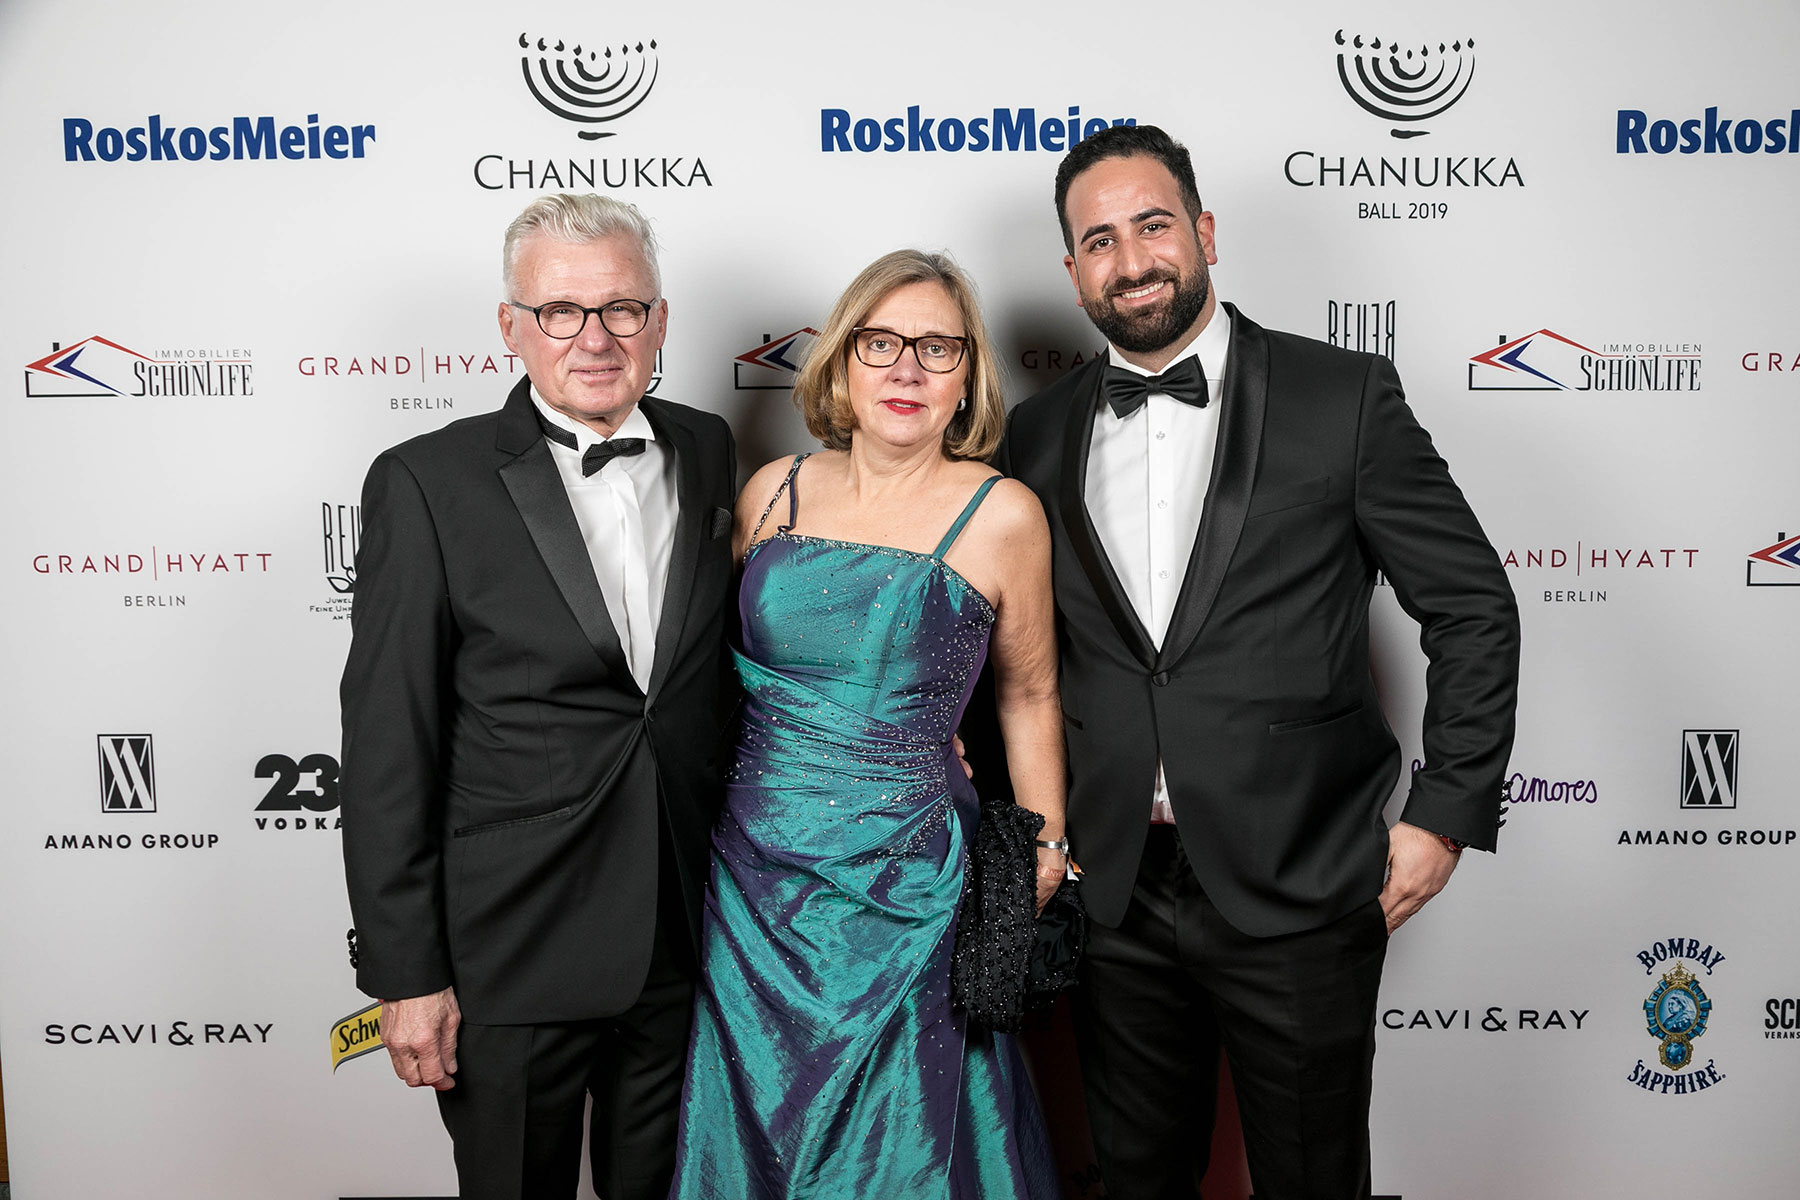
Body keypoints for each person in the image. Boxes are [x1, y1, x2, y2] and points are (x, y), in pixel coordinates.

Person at [991, 125, 1521, 1198]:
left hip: (1302, 881)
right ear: (1072, 270)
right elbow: (1015, 661)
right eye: (1099, 240)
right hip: (1115, 893)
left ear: (1205, 231)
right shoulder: (1035, 436)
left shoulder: (1343, 397)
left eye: (1153, 225)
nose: (1131, 260)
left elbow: (1472, 608)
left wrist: (1445, 813)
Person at [339, 193, 737, 1200]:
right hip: (510, 952)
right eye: (561, 311)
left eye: (622, 308)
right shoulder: (425, 482)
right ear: (510, 326)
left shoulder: (709, 448)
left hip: (681, 937)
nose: (595, 339)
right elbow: (388, 744)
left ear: (660, 320)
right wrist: (407, 974)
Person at [668, 250, 1063, 1199]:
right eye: (880, 343)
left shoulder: (1003, 513)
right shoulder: (772, 490)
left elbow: (1029, 694)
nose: (907, 369)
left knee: (904, 1143)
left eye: (937, 348)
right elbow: (711, 678)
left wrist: (1045, 844)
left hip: (910, 884)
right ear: (843, 360)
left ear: (968, 376)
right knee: (754, 1121)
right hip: (751, 880)